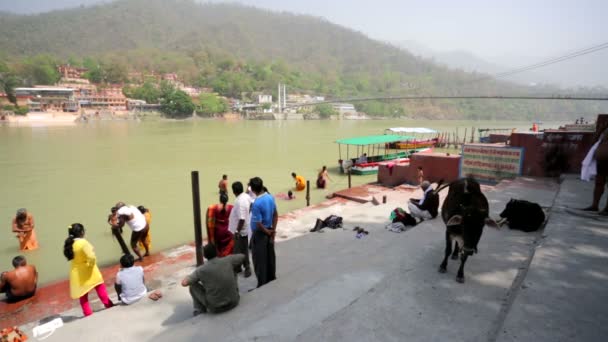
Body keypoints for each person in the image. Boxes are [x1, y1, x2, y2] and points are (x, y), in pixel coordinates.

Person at [63, 223, 113, 317]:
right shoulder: (83, 243)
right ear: (82, 232)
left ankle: (87, 313)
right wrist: (90, 265)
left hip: (77, 272)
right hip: (89, 270)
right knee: (100, 288)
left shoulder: (70, 244)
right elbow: (91, 257)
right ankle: (108, 305)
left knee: (83, 294)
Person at [181, 244, 245, 316]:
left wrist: (191, 277)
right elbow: (242, 256)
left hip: (215, 308)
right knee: (233, 272)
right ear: (217, 252)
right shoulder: (227, 260)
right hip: (234, 302)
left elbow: (184, 283)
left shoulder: (201, 270)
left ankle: (200, 309)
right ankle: (231, 294)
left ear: (204, 256)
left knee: (193, 285)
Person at [249, 177, 278, 287]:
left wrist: (267, 232)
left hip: (260, 235)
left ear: (252, 189)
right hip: (270, 230)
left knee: (259, 260)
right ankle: (271, 278)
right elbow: (275, 215)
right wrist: (272, 231)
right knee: (270, 257)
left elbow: (258, 224)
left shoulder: (256, 203)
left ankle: (262, 284)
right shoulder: (270, 197)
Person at [582, 125, 608, 215]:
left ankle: (607, 208)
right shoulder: (605, 129)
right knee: (599, 182)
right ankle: (594, 205)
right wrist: (601, 128)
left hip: (604, 159)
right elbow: (594, 141)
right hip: (601, 160)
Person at [229, 181, 252, 277]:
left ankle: (247, 268)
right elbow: (251, 205)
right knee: (238, 250)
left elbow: (241, 218)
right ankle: (238, 267)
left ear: (234, 191)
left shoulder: (239, 201)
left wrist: (237, 231)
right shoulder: (246, 196)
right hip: (243, 229)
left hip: (240, 231)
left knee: (242, 251)